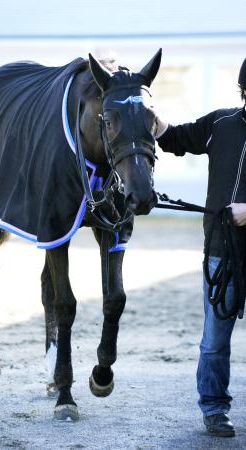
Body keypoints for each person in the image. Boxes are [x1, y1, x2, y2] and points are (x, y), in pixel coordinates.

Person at [154, 58, 246, 437]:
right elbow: (174, 137)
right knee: (213, 341)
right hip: (221, 252)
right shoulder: (220, 124)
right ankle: (214, 409)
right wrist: (149, 115)